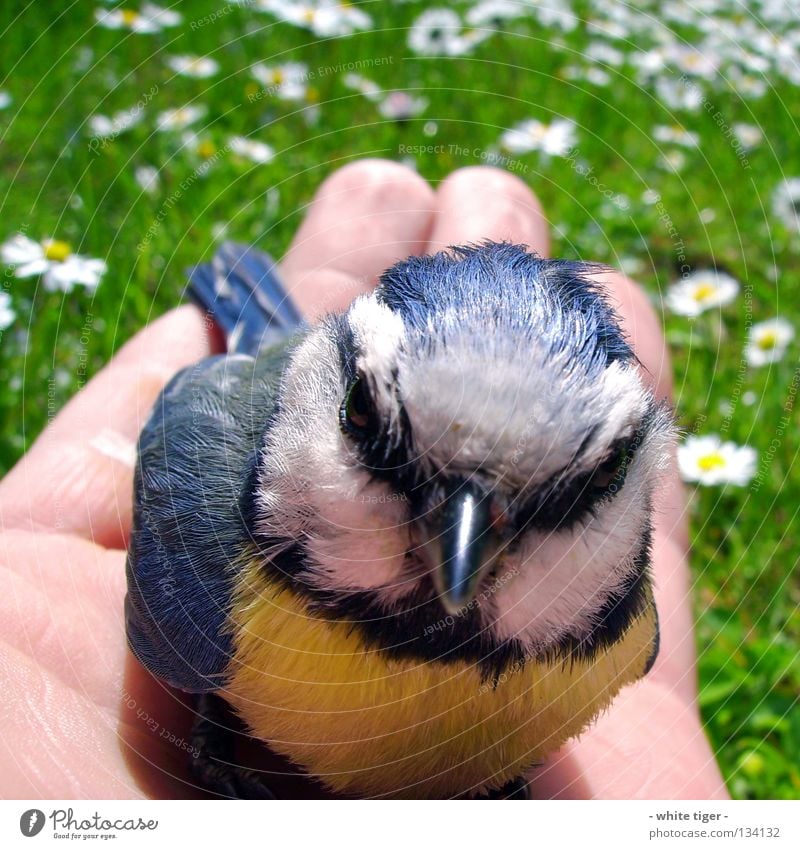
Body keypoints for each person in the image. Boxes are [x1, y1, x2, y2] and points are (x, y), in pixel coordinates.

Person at [0, 161, 729, 799]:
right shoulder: (212, 582)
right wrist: (205, 738)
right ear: (334, 384)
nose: (459, 559)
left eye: (587, 480)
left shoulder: (624, 639)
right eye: (365, 424)